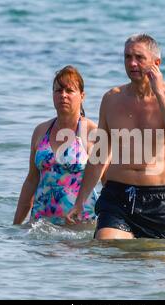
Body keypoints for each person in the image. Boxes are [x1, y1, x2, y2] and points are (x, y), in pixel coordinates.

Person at [66, 34, 165, 239]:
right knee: (107, 243)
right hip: (117, 196)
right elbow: (99, 155)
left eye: (139, 57)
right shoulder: (111, 99)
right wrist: (80, 201)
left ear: (156, 63)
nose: (132, 63)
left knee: (153, 263)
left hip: (159, 200)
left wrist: (159, 93)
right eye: (127, 57)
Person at [13, 65, 103, 227]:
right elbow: (31, 180)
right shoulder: (41, 131)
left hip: (80, 225)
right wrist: (15, 226)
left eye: (69, 91)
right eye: (58, 91)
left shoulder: (92, 132)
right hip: (41, 225)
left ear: (82, 96)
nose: (63, 95)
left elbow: (108, 181)